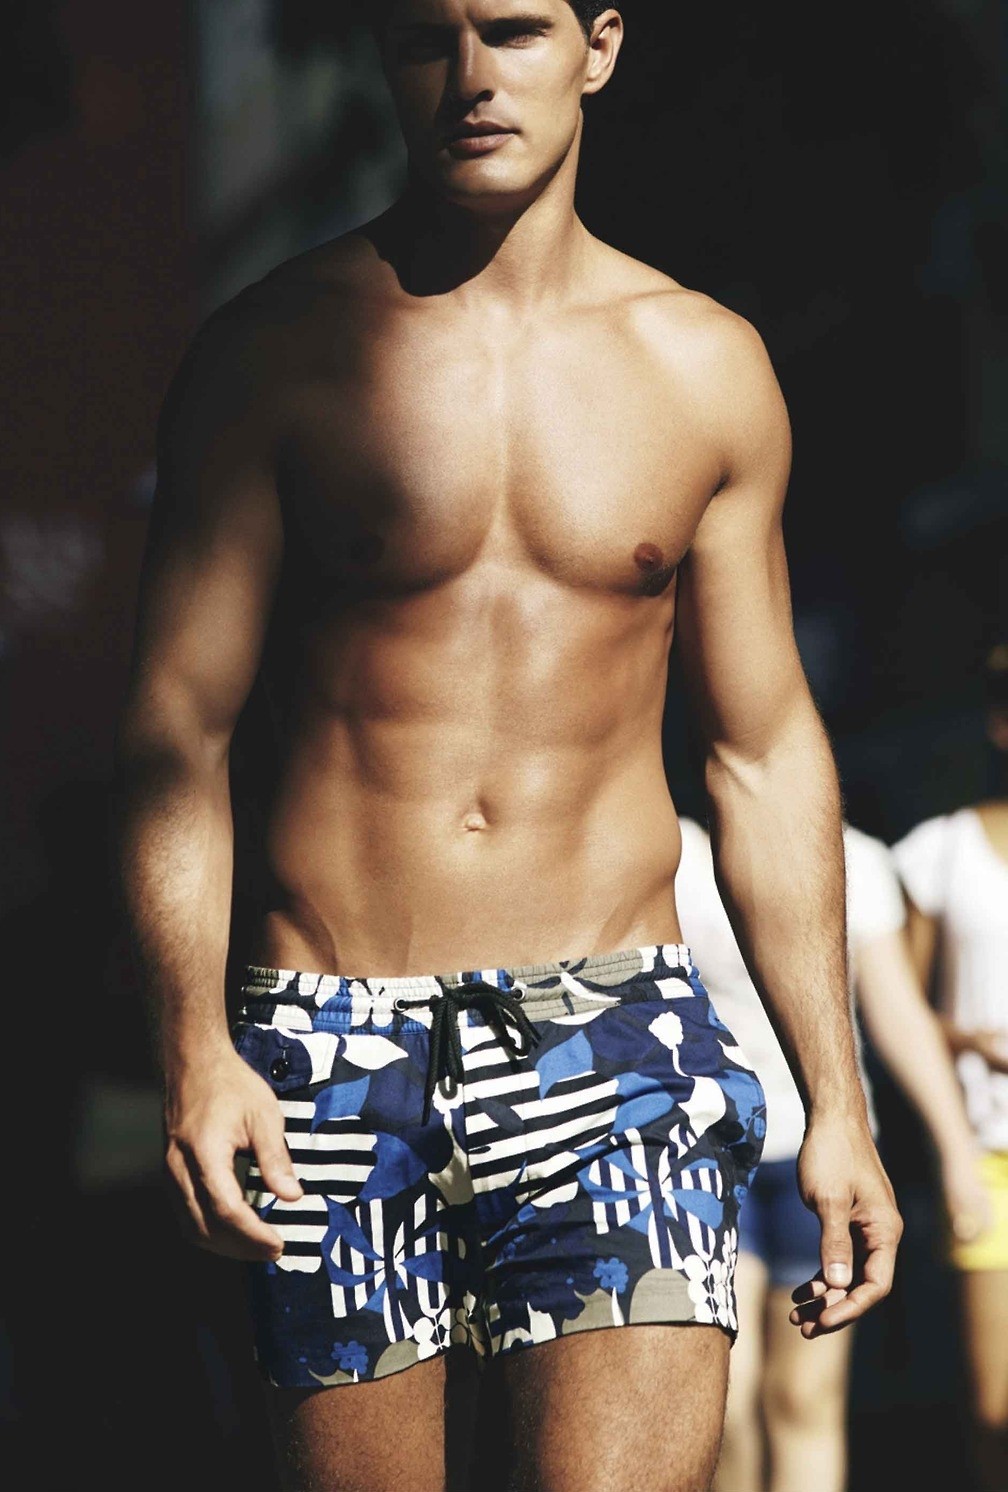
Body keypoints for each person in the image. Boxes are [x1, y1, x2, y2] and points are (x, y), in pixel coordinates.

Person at [112, 5, 902, 1490]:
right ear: (384, 60)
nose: (473, 79)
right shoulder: (272, 356)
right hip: (331, 1041)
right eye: (431, 39)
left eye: (517, 31)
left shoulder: (704, 367)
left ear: (599, 48)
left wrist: (835, 1104)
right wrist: (194, 1051)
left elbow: (761, 752)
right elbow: (176, 732)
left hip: (617, 1032)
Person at [672, 816, 986, 1492]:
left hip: (823, 1155)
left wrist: (957, 1150)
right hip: (706, 1155)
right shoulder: (677, 852)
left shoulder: (858, 861)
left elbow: (897, 1012)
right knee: (725, 1405)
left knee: (804, 1396)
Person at [892, 642, 1008, 1492]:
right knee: (993, 1406)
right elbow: (897, 1007)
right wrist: (972, 1041)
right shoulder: (942, 849)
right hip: (986, 1152)